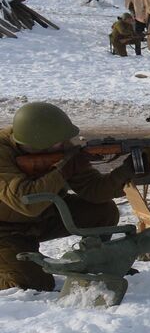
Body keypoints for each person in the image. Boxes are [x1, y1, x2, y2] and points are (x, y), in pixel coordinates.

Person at [0, 102, 134, 291]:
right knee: (32, 284)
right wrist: (64, 169)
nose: (63, 146)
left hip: (42, 219)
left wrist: (127, 171)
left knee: (103, 212)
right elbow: (26, 202)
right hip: (5, 230)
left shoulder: (59, 146)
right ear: (36, 145)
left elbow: (94, 190)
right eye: (57, 143)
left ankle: (96, 262)